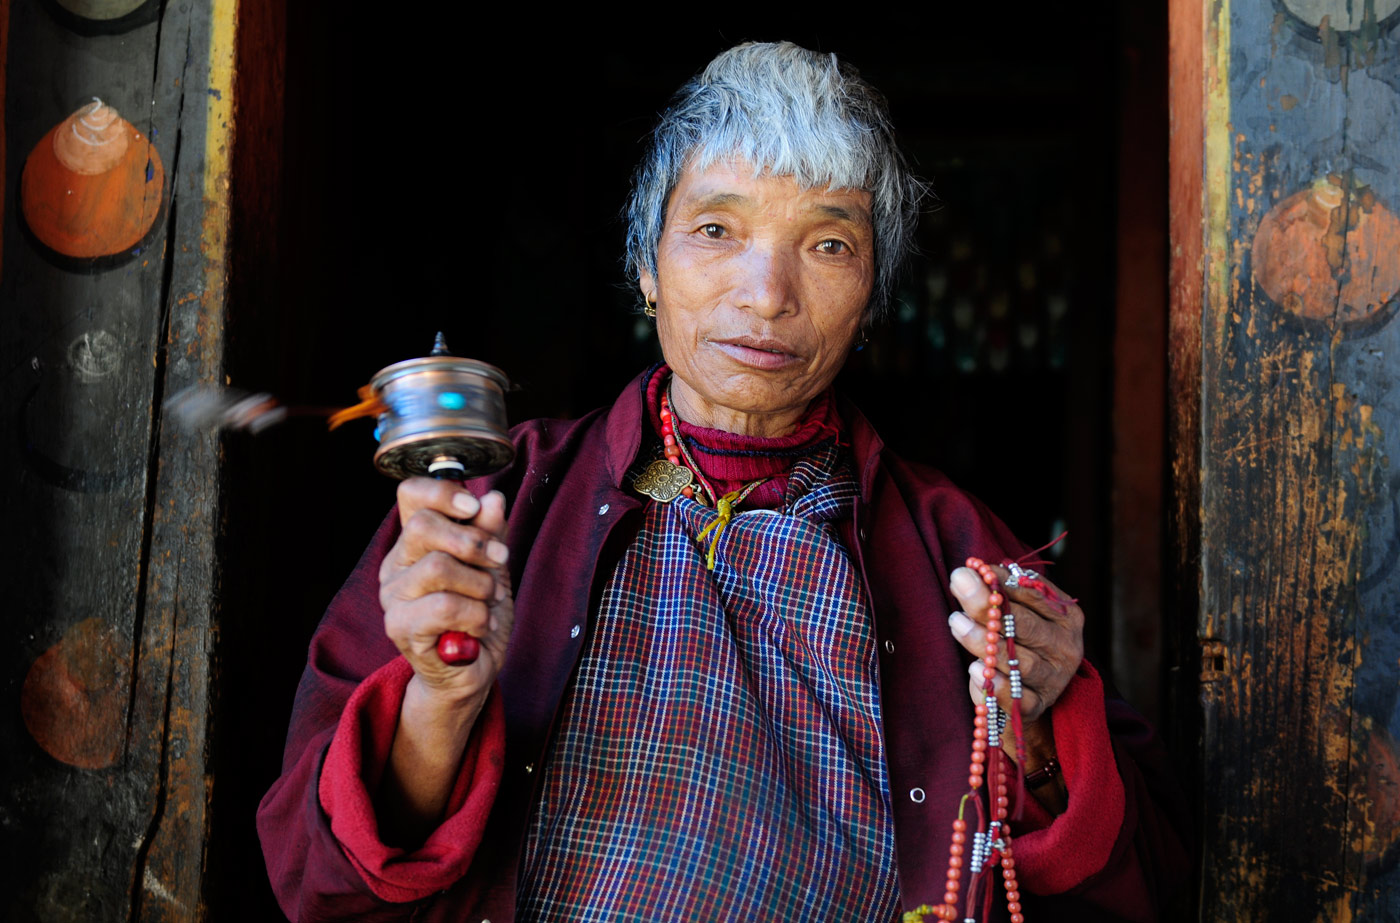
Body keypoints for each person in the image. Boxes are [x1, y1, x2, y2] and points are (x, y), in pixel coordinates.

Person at [258, 42, 1188, 922]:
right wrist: (439, 695)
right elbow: (314, 882)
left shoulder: (959, 556)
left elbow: (1145, 891)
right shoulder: (500, 508)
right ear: (645, 265)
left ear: (872, 294)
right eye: (715, 229)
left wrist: (1042, 727)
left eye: (828, 244)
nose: (767, 291)